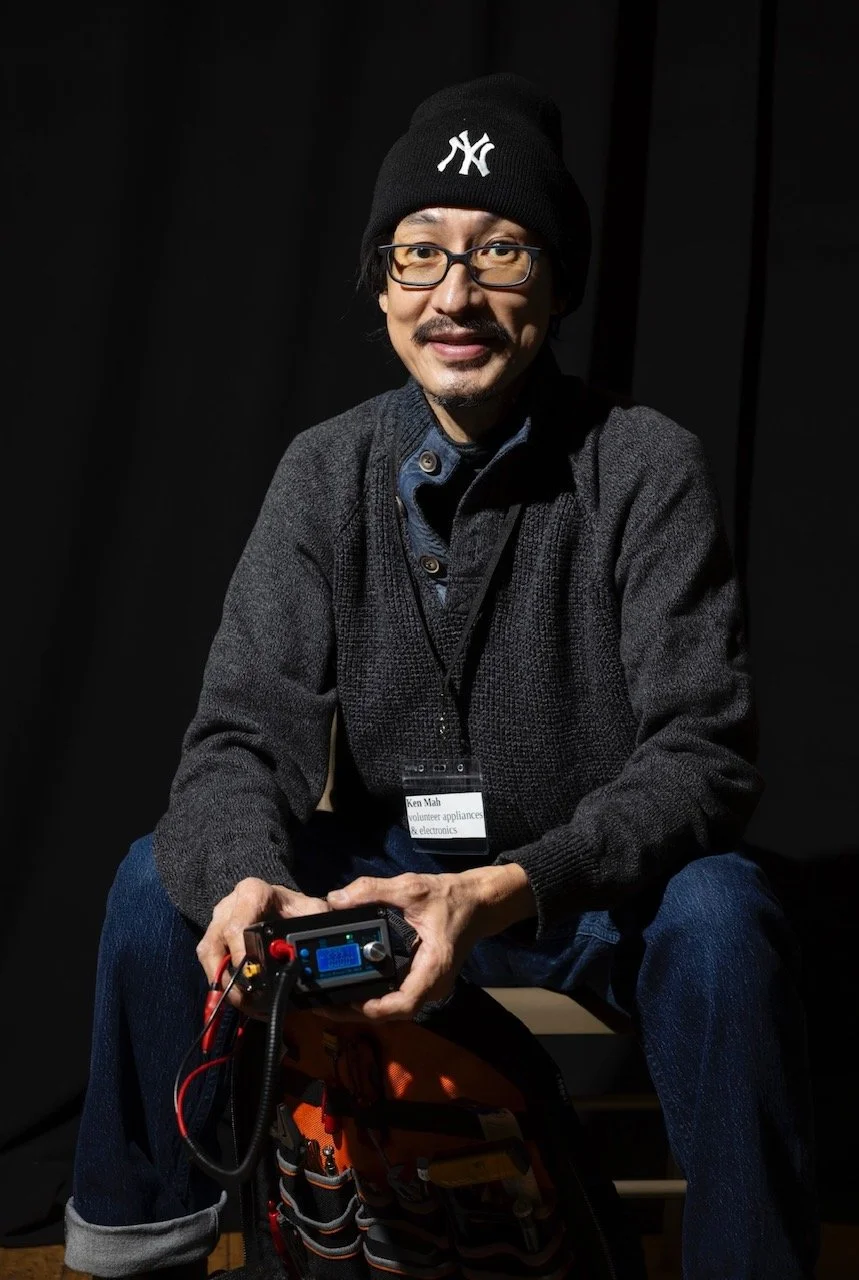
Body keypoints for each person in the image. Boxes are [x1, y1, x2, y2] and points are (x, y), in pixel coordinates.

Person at [65, 73, 818, 1279]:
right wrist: (255, 884)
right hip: (380, 883)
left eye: (499, 251)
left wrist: (508, 885)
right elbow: (235, 738)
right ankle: (135, 1249)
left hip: (578, 895)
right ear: (379, 287)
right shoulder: (322, 473)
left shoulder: (642, 466)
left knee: (726, 911)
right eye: (417, 256)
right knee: (163, 872)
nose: (454, 294)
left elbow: (704, 754)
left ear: (556, 283)